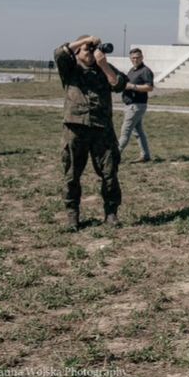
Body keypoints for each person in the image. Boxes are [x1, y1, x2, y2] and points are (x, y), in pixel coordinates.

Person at [55, 34, 128, 230]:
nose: (92, 53)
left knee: (109, 173)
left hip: (101, 129)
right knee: (72, 175)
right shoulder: (70, 69)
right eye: (87, 50)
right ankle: (72, 215)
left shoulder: (103, 69)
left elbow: (119, 84)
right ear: (77, 53)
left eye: (94, 49)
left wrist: (103, 65)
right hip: (75, 128)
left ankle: (111, 214)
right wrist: (85, 39)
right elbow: (60, 52)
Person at [118, 47, 154, 163]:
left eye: (138, 57)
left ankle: (114, 156)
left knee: (125, 132)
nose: (135, 59)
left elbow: (149, 87)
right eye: (133, 58)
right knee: (138, 132)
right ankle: (145, 155)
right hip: (130, 105)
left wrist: (133, 87)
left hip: (136, 106)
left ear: (142, 57)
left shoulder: (145, 71)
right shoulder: (132, 70)